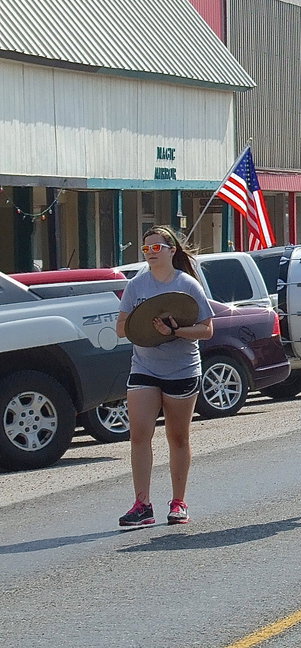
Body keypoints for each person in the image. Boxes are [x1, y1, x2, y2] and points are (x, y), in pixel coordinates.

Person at [115, 226, 215, 528]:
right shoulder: (137, 285)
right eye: (146, 250)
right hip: (144, 367)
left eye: (156, 248)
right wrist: (143, 321)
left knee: (178, 436)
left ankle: (178, 502)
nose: (150, 254)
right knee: (139, 434)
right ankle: (142, 505)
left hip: (182, 369)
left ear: (171, 250)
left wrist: (175, 330)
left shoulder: (187, 284)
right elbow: (121, 328)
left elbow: (207, 329)